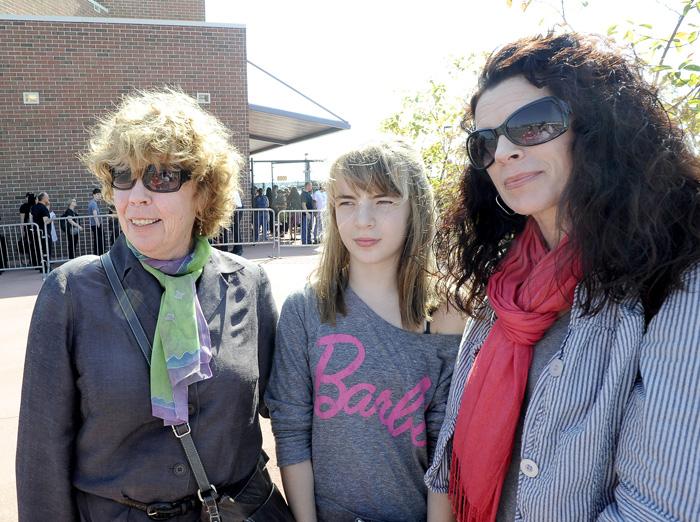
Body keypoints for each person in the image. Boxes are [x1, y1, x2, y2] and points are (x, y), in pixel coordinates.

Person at [425, 32, 700, 522]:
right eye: (485, 142)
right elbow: (449, 468)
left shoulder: (674, 280)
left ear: (594, 128)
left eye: (533, 124)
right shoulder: (503, 286)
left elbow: (656, 512)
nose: (505, 151)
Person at [16, 89, 280, 521]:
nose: (137, 195)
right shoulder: (70, 293)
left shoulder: (247, 284)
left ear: (204, 190)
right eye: (124, 176)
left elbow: (295, 411)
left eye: (160, 177)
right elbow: (40, 458)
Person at [266, 138, 466, 522]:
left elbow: (446, 451)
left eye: (384, 200)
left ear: (415, 208)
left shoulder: (448, 316)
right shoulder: (307, 310)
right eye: (347, 202)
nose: (363, 220)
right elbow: (291, 431)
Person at [30, 191, 54, 272]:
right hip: (44, 232)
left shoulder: (34, 207)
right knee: (46, 249)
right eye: (47, 197)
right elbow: (45, 221)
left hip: (37, 231)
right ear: (43, 198)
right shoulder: (43, 208)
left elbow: (31, 218)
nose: (49, 198)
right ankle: (47, 267)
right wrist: (53, 218)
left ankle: (42, 267)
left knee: (40, 250)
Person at [18, 192, 36, 266]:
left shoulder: (34, 206)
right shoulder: (24, 206)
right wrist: (22, 230)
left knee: (33, 244)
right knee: (31, 244)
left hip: (31, 226)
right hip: (29, 227)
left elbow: (22, 219)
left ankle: (34, 260)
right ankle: (32, 260)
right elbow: (22, 219)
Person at [88, 187, 105, 255]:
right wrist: (98, 224)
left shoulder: (94, 203)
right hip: (96, 224)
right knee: (99, 240)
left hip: (95, 224)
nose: (99, 196)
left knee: (98, 239)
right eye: (97, 194)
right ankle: (99, 253)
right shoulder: (93, 203)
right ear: (94, 195)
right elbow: (95, 215)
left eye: (100, 194)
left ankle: (98, 253)